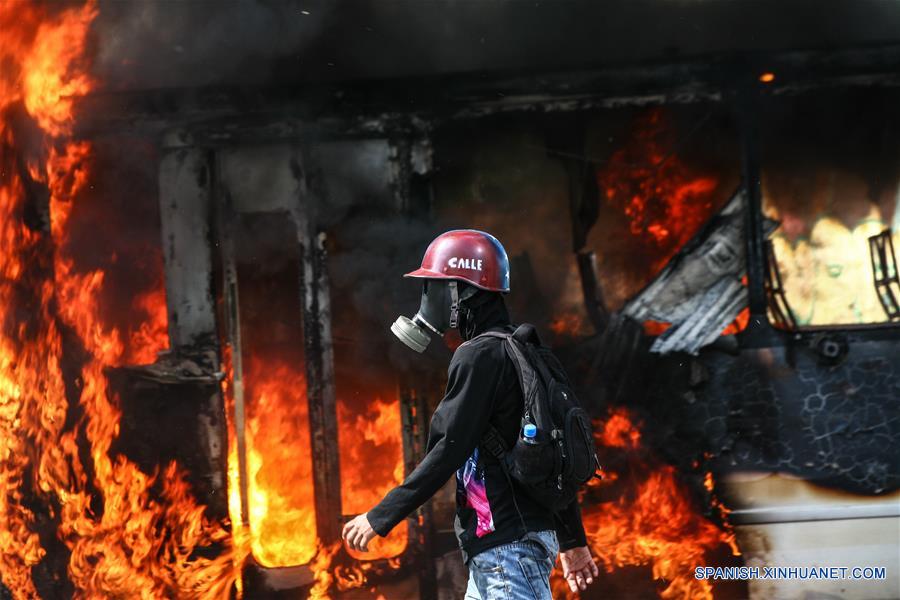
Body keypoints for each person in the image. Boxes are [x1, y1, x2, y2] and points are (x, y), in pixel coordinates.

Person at [342, 229, 599, 598]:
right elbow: (555, 461)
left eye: (435, 286)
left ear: (462, 292)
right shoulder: (528, 353)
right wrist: (573, 541)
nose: (426, 298)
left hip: (505, 553)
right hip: (507, 547)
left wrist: (381, 516)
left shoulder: (478, 355)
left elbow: (448, 448)